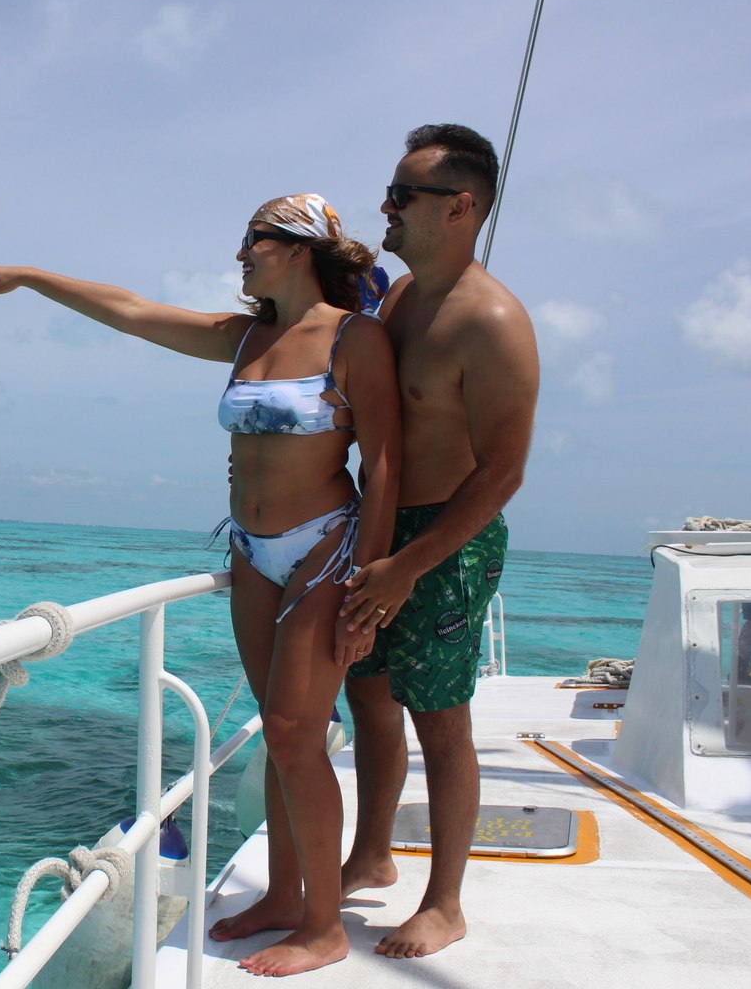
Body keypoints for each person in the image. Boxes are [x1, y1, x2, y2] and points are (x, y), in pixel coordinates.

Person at [0, 193, 400, 977]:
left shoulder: (355, 339)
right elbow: (129, 310)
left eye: (254, 240)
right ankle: (286, 895)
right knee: (277, 729)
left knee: (298, 735)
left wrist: (374, 580)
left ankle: (324, 925)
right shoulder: (243, 338)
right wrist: (23, 276)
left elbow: (386, 463)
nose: (241, 255)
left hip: (325, 550)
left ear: (296, 248)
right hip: (253, 550)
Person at [337, 124, 540, 960]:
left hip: (446, 543)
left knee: (439, 719)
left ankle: (446, 902)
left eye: (402, 196)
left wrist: (403, 569)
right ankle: (372, 853)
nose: (385, 207)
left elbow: (501, 474)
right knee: (368, 699)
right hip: (385, 533)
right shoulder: (402, 298)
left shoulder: (491, 321)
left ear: (460, 207)